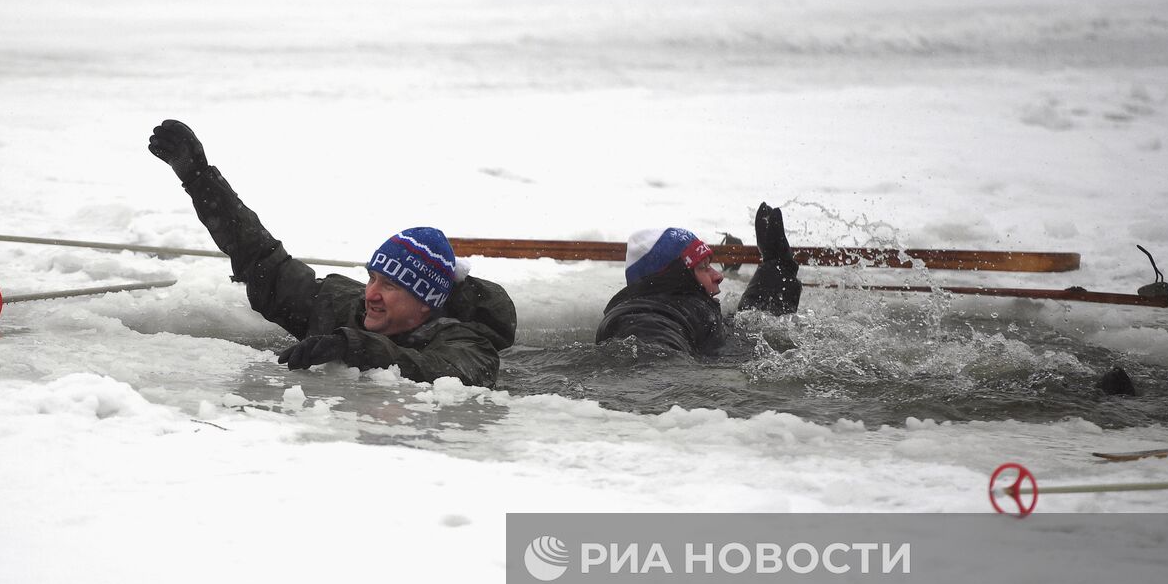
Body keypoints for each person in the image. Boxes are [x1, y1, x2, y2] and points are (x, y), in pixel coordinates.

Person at [148, 120, 516, 387]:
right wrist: (198, 179)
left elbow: (439, 369)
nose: (370, 293)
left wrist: (351, 346)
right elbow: (262, 259)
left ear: (425, 302)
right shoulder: (341, 305)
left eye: (389, 286)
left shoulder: (470, 345)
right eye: (372, 277)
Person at [595, 204, 801, 357]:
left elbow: (744, 329)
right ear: (674, 277)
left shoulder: (684, 311)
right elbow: (657, 370)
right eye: (702, 267)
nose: (718, 275)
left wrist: (776, 269)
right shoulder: (641, 317)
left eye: (711, 266)